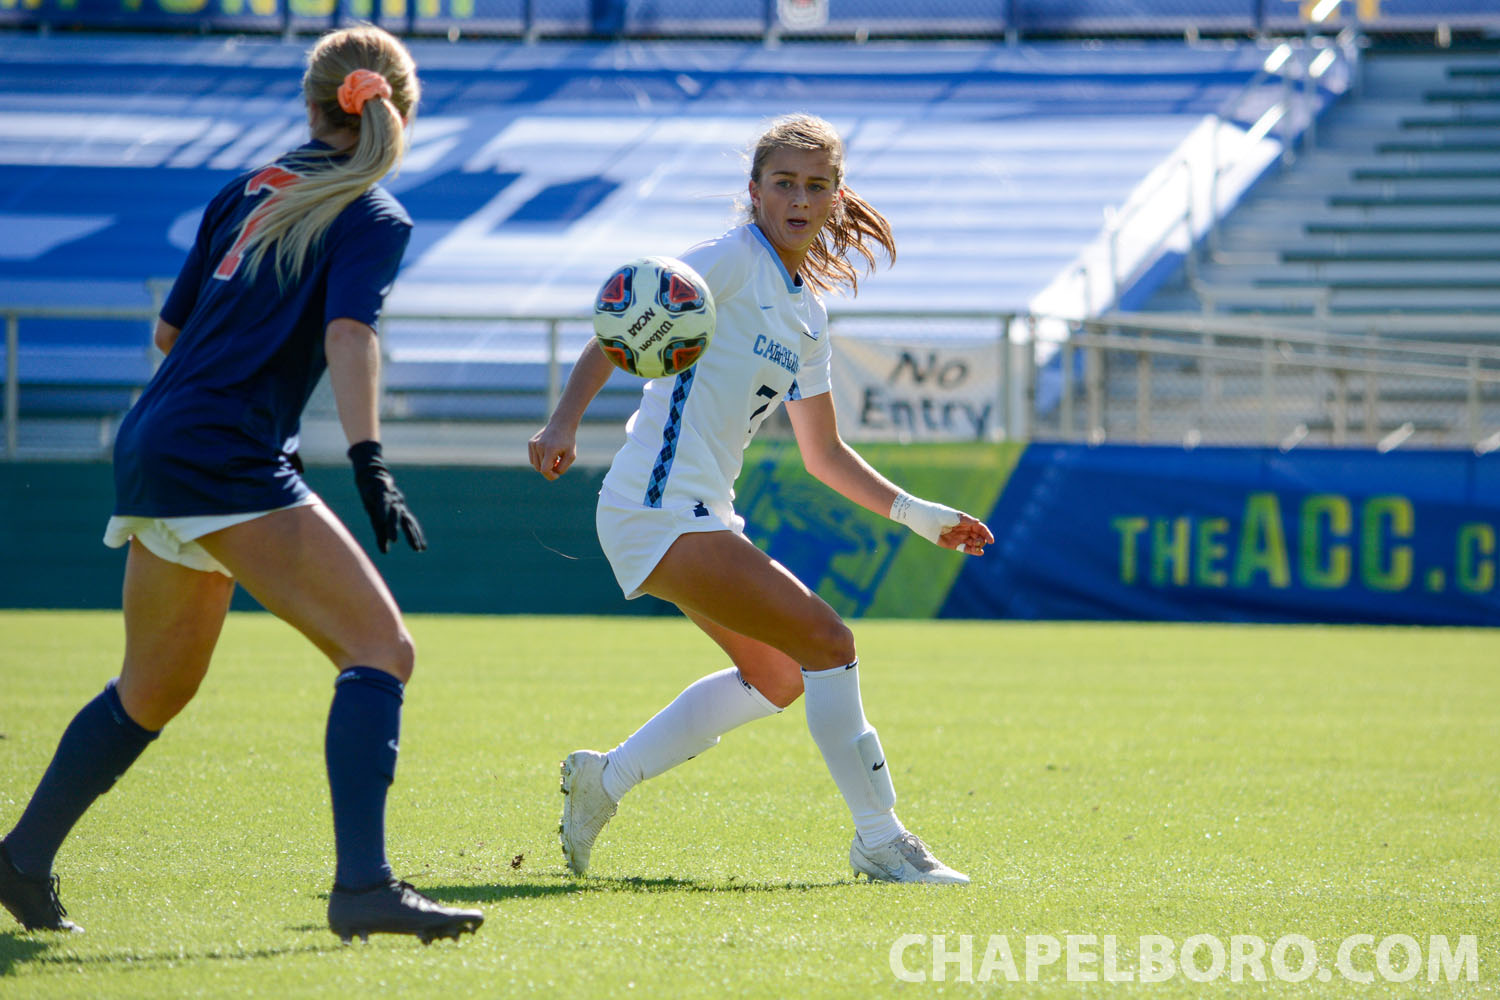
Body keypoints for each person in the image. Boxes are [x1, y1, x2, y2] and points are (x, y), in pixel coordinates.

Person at [0, 26, 483, 944]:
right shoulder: (372, 211)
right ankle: (364, 887)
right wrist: (371, 459)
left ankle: (20, 856)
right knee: (381, 649)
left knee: (153, 688)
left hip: (155, 438)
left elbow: (170, 339)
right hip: (220, 452)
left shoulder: (243, 190)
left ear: (311, 100)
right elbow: (349, 335)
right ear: (401, 111)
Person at [528, 113, 996, 885]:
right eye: (784, 182)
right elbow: (624, 314)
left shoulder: (808, 316)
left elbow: (825, 455)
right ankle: (880, 841)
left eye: (817, 185)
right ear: (755, 192)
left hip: (700, 511)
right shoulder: (734, 258)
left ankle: (601, 782)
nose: (799, 198)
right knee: (830, 642)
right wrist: (562, 419)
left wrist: (921, 517)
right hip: (654, 506)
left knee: (779, 677)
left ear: (837, 199)